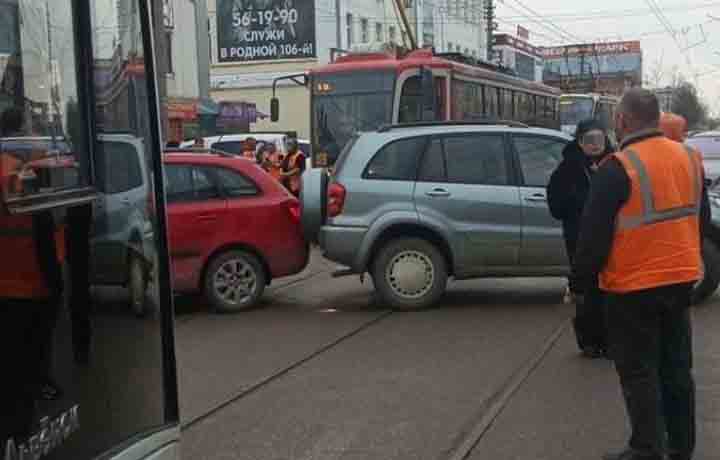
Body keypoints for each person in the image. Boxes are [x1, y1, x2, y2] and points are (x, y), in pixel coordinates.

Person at [573, 88, 710, 460]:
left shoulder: (617, 168)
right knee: (677, 368)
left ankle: (647, 448)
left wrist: (580, 286)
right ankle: (682, 447)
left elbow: (592, 239)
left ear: (623, 121)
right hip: (680, 281)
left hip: (632, 286)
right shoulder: (689, 157)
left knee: (639, 371)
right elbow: (701, 219)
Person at [547, 118, 613, 358]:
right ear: (579, 142)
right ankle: (589, 341)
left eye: (599, 140)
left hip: (613, 238)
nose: (595, 146)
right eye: (589, 141)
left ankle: (610, 340)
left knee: (610, 288)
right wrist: (578, 202)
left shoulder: (615, 164)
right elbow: (555, 206)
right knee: (586, 289)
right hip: (580, 238)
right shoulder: (567, 169)